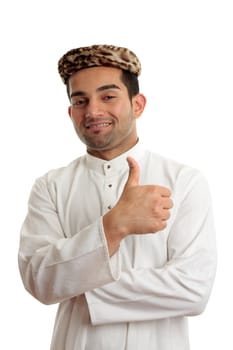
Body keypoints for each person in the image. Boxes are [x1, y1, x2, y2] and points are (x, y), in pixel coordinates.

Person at [18, 44, 217, 350]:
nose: (93, 111)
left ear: (138, 104)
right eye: (80, 101)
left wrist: (76, 282)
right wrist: (114, 226)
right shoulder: (51, 186)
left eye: (108, 96)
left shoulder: (185, 181)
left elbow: (194, 289)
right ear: (71, 113)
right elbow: (39, 282)